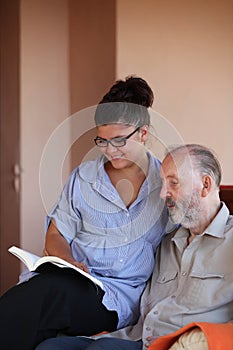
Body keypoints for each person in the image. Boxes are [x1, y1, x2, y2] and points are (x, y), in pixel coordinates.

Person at [0, 76, 168, 350]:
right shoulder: (84, 177)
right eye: (102, 141)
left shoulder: (165, 183)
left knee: (44, 300)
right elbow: (56, 233)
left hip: (119, 297)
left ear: (143, 133)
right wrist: (69, 261)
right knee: (32, 301)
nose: (110, 150)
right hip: (74, 281)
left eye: (119, 141)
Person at [36, 144, 233, 350]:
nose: (162, 193)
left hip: (175, 344)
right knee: (51, 347)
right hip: (136, 338)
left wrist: (193, 340)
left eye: (173, 183)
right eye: (163, 183)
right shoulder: (167, 242)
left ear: (205, 185)